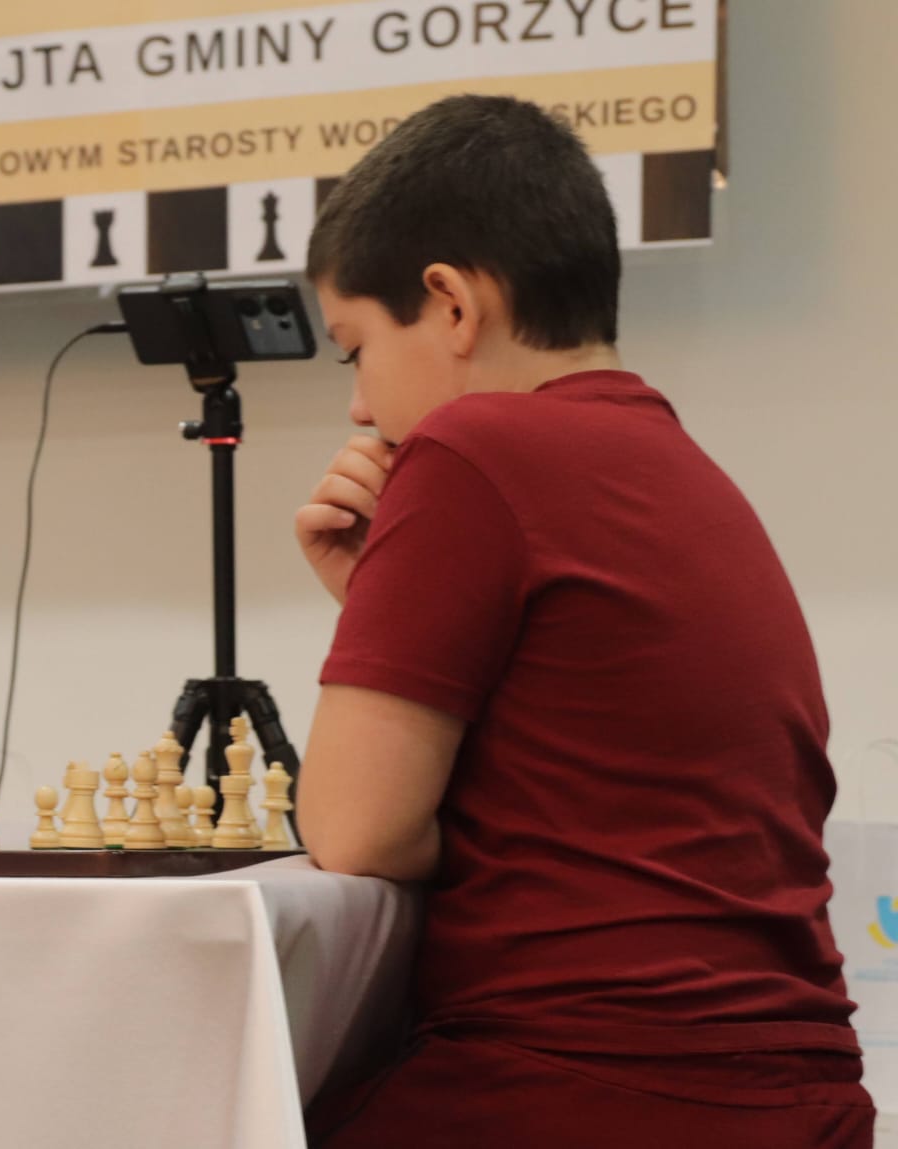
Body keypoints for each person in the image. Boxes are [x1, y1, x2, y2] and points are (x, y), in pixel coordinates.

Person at [293, 95, 873, 1146]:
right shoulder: (682, 466)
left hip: (579, 1084)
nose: (360, 407)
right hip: (796, 1100)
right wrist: (381, 599)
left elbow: (350, 828)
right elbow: (583, 771)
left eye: (353, 350)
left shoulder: (471, 447)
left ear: (451, 305)